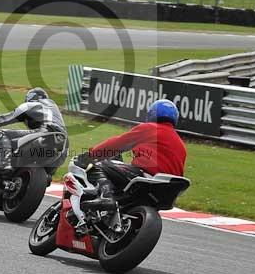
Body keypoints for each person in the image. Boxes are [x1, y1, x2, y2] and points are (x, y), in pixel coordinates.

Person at [72, 99, 187, 233]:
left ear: (152, 114)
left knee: (98, 165)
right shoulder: (181, 144)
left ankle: (106, 197)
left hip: (145, 177)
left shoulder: (149, 128)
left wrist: (91, 155)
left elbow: (117, 144)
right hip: (164, 190)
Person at [0, 87, 68, 173]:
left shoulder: (32, 105)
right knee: (46, 173)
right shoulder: (55, 111)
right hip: (62, 144)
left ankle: (5, 165)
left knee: (0, 133)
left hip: (45, 132)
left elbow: (5, 119)